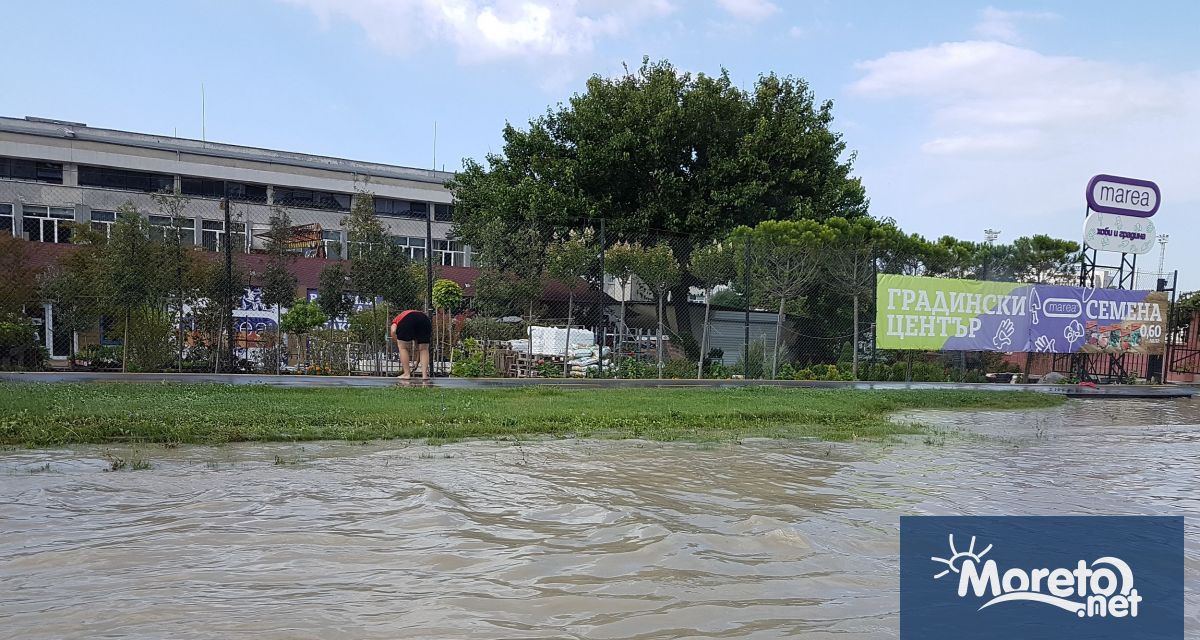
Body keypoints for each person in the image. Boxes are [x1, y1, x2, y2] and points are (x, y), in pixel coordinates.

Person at [390, 309, 432, 381]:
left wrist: (398, 342)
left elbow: (393, 330)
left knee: (403, 348)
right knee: (424, 349)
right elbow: (420, 350)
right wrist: (416, 364)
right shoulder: (418, 316)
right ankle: (425, 375)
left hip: (407, 319)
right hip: (425, 319)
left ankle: (406, 374)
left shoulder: (396, 320)